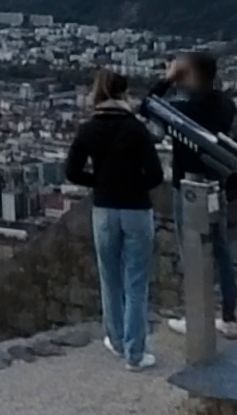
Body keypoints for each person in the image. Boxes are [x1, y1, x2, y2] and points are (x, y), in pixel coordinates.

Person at [64, 66, 163, 370]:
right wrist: (132, 185)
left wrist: (101, 182)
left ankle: (115, 339)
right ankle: (135, 353)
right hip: (135, 209)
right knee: (136, 282)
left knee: (110, 278)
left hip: (104, 209)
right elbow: (156, 175)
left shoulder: (89, 128)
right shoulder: (136, 129)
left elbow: (72, 171)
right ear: (124, 94)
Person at [162, 49, 237, 338]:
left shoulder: (186, 110)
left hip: (188, 187)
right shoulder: (224, 104)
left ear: (189, 75)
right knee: (221, 251)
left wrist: (167, 80)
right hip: (216, 184)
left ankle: (196, 317)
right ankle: (228, 317)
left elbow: (147, 107)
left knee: (191, 252)